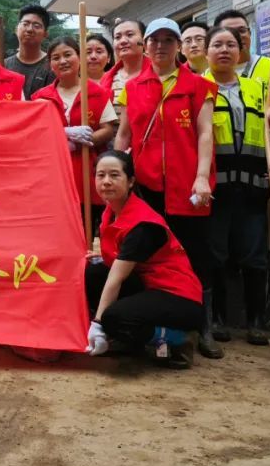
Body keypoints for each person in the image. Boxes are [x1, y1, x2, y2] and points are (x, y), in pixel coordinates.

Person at [114, 18, 221, 358]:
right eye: (154, 40)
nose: (161, 46)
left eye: (168, 40)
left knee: (195, 256)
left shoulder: (198, 85)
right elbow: (124, 135)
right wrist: (116, 173)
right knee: (151, 257)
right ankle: (161, 330)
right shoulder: (133, 87)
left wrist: (202, 176)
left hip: (188, 187)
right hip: (147, 189)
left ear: (179, 46)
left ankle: (202, 328)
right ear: (145, 46)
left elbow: (205, 133)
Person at [84, 151, 204, 369]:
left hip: (178, 297)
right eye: (100, 176)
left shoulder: (143, 224)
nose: (106, 182)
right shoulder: (112, 211)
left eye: (114, 175)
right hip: (148, 284)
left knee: (113, 318)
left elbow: (116, 278)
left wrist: (98, 323)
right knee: (91, 274)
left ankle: (179, 339)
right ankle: (130, 338)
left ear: (130, 181)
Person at [204, 25, 270, 345]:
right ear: (206, 52)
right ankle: (216, 318)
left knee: (255, 254)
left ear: (241, 51)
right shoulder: (197, 88)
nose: (225, 50)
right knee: (215, 254)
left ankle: (256, 320)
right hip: (216, 189)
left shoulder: (256, 88)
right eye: (217, 45)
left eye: (231, 44)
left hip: (254, 187)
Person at [31, 37, 116, 232]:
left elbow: (108, 129)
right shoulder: (40, 97)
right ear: (50, 64)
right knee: (57, 230)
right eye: (56, 57)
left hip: (87, 172)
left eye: (68, 55)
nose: (63, 61)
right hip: (53, 174)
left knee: (86, 228)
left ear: (79, 57)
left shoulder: (97, 93)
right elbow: (35, 134)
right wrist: (63, 135)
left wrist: (85, 140)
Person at [211, 10, 270, 97]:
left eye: (242, 30)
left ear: (250, 33)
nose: (237, 36)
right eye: (229, 31)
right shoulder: (206, 77)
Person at [100, 18, 147, 121]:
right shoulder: (106, 79)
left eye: (130, 35)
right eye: (117, 37)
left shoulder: (160, 73)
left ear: (144, 40)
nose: (123, 41)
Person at [5, 5, 55, 99]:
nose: (29, 29)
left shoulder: (52, 66)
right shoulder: (4, 66)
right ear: (16, 29)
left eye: (36, 26)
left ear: (45, 34)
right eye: (25, 24)